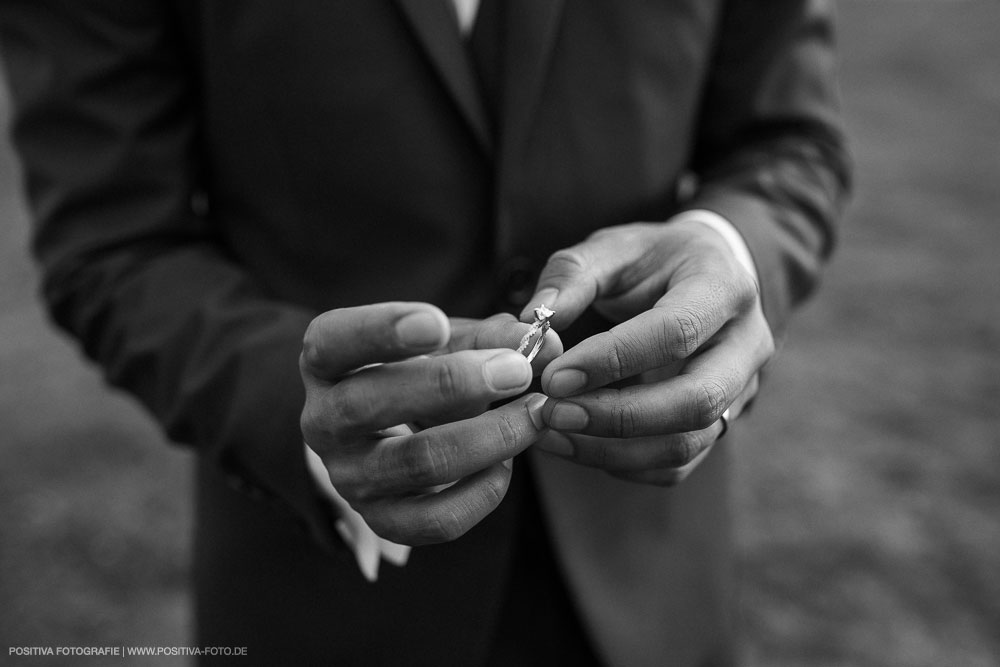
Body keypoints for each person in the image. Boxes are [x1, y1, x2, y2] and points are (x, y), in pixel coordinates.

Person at [0, 0, 850, 664]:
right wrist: (288, 396)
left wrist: (733, 249)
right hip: (326, 600)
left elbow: (788, 141)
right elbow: (112, 240)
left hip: (655, 580)